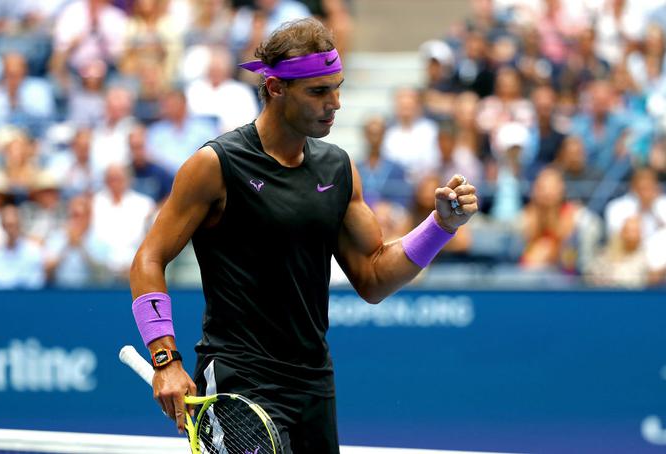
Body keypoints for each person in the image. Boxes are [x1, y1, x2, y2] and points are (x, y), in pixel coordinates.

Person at [129, 18, 478, 453]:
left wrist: (440, 227)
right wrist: (166, 359)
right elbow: (147, 260)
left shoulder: (337, 168)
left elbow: (372, 279)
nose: (335, 103)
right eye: (318, 91)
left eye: (338, 87)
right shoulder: (215, 166)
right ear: (275, 88)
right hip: (240, 381)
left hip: (314, 383)